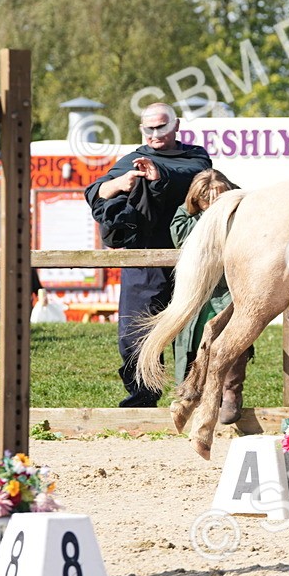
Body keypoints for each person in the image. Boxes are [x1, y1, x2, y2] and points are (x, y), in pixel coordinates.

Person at [84, 103, 211, 408]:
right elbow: (93, 192)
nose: (155, 133)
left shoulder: (195, 156)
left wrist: (159, 173)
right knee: (133, 332)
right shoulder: (131, 160)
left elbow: (197, 175)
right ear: (142, 129)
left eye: (162, 126)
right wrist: (115, 184)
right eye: (149, 128)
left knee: (192, 330)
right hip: (143, 260)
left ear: (176, 125)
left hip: (190, 258)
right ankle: (142, 397)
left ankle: (192, 397)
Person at [171, 168, 250, 424]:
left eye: (219, 197)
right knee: (193, 341)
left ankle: (230, 394)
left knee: (233, 338)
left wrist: (225, 208)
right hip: (200, 288)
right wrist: (211, 216)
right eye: (207, 199)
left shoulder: (243, 210)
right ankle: (194, 395)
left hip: (230, 286)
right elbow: (180, 236)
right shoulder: (185, 215)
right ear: (198, 199)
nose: (214, 203)